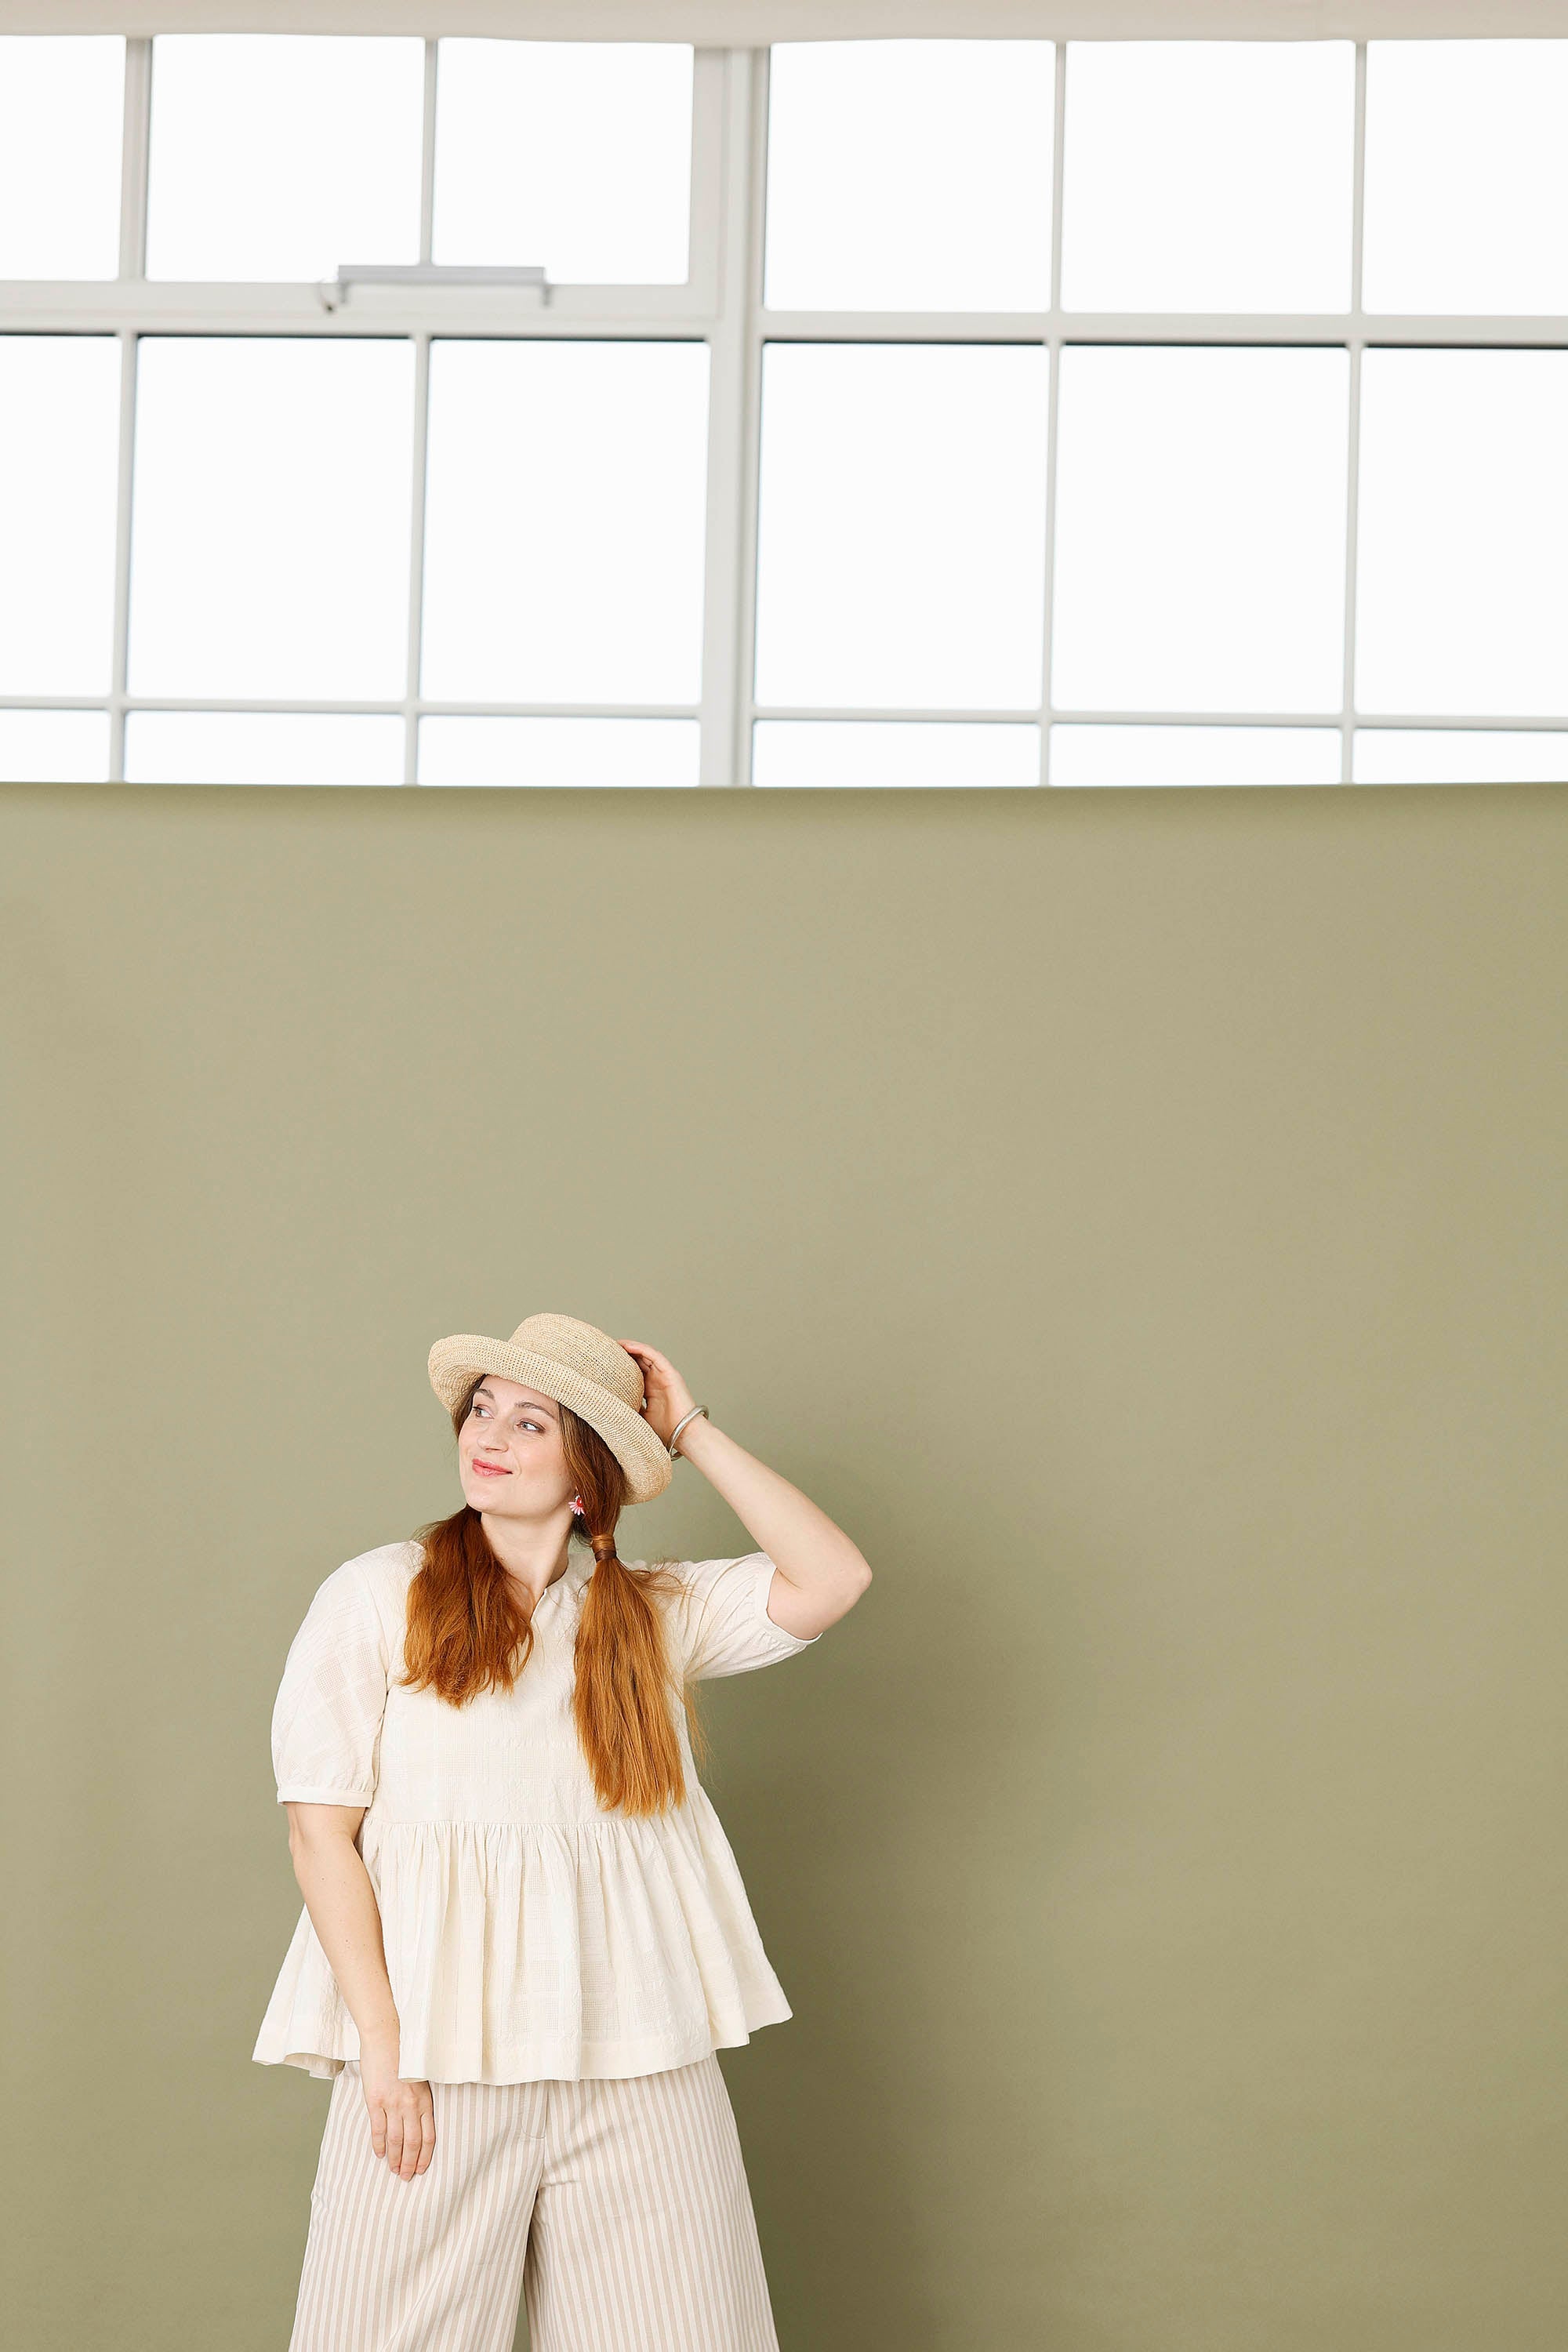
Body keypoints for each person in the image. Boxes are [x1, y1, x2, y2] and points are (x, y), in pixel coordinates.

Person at [252, 1310, 872, 2352]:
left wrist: (691, 1431)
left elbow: (832, 1579)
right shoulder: (376, 1596)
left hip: (639, 2058)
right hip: (438, 2063)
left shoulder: (648, 1614)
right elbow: (322, 1838)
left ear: (588, 1474)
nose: (488, 1434)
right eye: (482, 1409)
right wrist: (385, 2053)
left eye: (531, 1422)